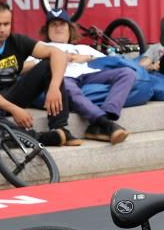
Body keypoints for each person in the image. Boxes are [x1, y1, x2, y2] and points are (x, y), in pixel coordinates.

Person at [0, 0, 79, 147]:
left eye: (6, 24)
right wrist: (14, 109)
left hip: (11, 94)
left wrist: (54, 86)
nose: (2, 29)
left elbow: (58, 53)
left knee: (48, 66)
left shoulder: (16, 40)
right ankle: (37, 138)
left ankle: (60, 128)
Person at [31, 9, 133, 144]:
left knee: (127, 72)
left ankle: (107, 115)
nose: (58, 28)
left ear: (69, 28)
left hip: (87, 75)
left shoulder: (82, 48)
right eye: (53, 24)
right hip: (64, 78)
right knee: (66, 86)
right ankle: (104, 123)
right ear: (47, 30)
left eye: (62, 24)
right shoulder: (41, 47)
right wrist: (54, 58)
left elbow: (108, 59)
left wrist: (85, 57)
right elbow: (25, 68)